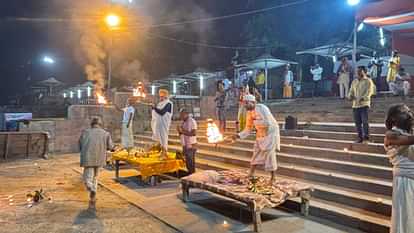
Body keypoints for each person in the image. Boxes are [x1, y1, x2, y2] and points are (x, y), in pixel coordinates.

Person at [233, 94, 280, 183]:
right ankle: (251, 173)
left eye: (247, 103)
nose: (245, 105)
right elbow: (248, 128)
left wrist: (257, 123)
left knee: (270, 156)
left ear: (253, 102)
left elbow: (268, 123)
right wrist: (238, 135)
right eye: (244, 103)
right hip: (260, 135)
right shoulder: (249, 113)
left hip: (270, 134)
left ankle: (273, 177)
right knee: (255, 153)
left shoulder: (262, 108)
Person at [384, 104, 414, 233]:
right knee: (405, 217)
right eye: (404, 112)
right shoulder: (391, 134)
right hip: (405, 181)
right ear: (393, 118)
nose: (409, 114)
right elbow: (410, 141)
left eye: (409, 111)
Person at [79, 117, 114, 209]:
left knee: (87, 178)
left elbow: (80, 144)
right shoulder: (105, 133)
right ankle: (93, 194)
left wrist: (83, 151)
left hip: (88, 157)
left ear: (92, 124)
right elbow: (111, 147)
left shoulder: (85, 132)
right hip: (100, 158)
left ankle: (90, 188)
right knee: (95, 177)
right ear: (100, 124)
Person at [348, 66, 375, 143]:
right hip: (355, 105)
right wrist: (350, 96)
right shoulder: (354, 81)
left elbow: (370, 92)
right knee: (357, 123)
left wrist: (363, 98)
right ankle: (360, 138)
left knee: (365, 122)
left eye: (360, 71)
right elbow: (351, 91)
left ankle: (366, 138)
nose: (358, 72)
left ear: (364, 72)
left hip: (364, 105)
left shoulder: (368, 81)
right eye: (357, 71)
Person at [152, 89, 173, 158]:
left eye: (162, 96)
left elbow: (162, 112)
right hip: (158, 124)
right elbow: (156, 112)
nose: (160, 98)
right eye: (160, 96)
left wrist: (155, 108)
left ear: (165, 97)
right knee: (159, 139)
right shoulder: (159, 104)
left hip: (164, 124)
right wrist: (154, 108)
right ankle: (162, 151)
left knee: (163, 137)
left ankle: (164, 152)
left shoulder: (168, 103)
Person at [177, 108, 198, 174]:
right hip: (185, 145)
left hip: (191, 145)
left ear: (186, 114)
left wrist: (182, 131)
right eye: (180, 115)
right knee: (188, 164)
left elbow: (193, 133)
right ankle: (190, 175)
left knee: (191, 163)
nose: (180, 116)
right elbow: (182, 134)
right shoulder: (183, 122)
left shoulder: (192, 121)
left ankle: (192, 176)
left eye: (182, 115)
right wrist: (179, 131)